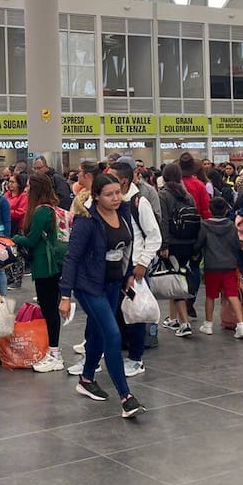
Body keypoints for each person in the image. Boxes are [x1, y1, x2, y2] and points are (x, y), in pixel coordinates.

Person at [59, 173, 146, 419]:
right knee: (112, 333)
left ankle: (86, 379)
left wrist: (128, 273)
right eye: (109, 194)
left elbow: (126, 246)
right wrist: (65, 295)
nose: (116, 198)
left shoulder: (124, 213)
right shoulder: (86, 221)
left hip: (113, 282)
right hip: (88, 286)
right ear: (96, 196)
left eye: (118, 192)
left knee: (98, 332)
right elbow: (72, 258)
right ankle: (126, 397)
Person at [108, 158, 161, 377]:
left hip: (134, 269)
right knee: (116, 313)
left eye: (111, 178)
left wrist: (142, 264)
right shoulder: (112, 202)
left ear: (123, 181)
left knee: (135, 314)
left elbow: (154, 236)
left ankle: (136, 358)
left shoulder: (139, 203)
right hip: (114, 268)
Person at [12, 174, 66, 373]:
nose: (25, 190)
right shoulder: (49, 209)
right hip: (50, 265)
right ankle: (53, 351)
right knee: (50, 307)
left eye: (28, 186)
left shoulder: (41, 211)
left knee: (49, 308)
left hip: (45, 265)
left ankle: (54, 354)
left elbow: (32, 240)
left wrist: (16, 238)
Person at [194, 196, 243, 338]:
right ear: (225, 210)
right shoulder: (231, 225)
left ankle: (208, 324)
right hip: (229, 265)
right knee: (232, 295)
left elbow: (199, 243)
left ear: (210, 210)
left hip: (212, 265)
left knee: (210, 296)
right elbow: (237, 245)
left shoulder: (204, 225)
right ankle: (241, 325)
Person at [157, 163, 198, 337]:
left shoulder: (164, 195)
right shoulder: (187, 195)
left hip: (172, 243)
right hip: (188, 243)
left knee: (175, 281)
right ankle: (173, 318)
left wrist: (164, 245)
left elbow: (164, 221)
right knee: (178, 276)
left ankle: (184, 323)